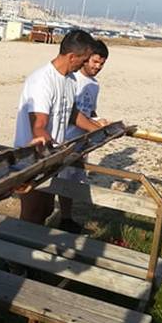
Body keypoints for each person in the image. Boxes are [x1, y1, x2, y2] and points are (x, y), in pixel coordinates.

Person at [14, 29, 106, 229]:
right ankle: (15, 259)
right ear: (72, 56)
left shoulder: (70, 80)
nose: (84, 64)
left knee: (46, 209)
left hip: (52, 157)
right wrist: (52, 151)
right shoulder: (42, 81)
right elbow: (38, 126)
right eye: (83, 60)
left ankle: (32, 252)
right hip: (34, 158)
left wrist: (98, 130)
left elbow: (72, 114)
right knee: (32, 213)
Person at [56, 39, 111, 231]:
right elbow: (71, 114)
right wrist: (95, 126)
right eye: (95, 62)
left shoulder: (95, 85)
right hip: (67, 138)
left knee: (73, 180)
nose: (98, 67)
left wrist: (99, 121)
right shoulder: (73, 80)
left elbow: (90, 112)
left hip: (84, 140)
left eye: (102, 64)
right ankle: (61, 217)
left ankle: (66, 217)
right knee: (61, 178)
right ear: (86, 59)